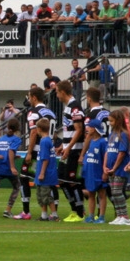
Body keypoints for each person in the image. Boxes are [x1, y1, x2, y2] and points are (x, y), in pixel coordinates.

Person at [17, 86, 56, 221]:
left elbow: (33, 132)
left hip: (37, 151)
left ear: (34, 97)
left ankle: (26, 211)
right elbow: (54, 133)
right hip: (49, 149)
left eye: (29, 96)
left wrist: (29, 152)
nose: (28, 99)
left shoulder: (33, 112)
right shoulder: (51, 112)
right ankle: (52, 212)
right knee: (49, 182)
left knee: (24, 177)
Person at [55, 80, 86, 223]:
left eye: (56, 92)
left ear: (62, 92)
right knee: (62, 180)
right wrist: (63, 145)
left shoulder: (75, 107)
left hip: (74, 150)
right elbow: (70, 131)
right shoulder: (68, 107)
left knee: (72, 181)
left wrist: (68, 147)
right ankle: (75, 209)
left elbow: (79, 130)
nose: (56, 95)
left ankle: (79, 213)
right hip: (68, 149)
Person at [103, 109, 130, 225]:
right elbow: (107, 152)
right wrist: (105, 166)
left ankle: (125, 216)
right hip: (110, 169)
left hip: (119, 169)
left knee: (117, 191)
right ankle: (119, 215)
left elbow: (122, 153)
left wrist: (115, 167)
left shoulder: (123, 134)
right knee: (113, 193)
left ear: (118, 121)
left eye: (112, 121)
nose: (110, 123)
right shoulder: (111, 134)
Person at [81, 118, 109, 224]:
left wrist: (104, 171)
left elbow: (105, 156)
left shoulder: (102, 142)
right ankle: (91, 216)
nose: (88, 128)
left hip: (98, 172)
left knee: (101, 195)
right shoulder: (91, 141)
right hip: (90, 172)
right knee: (91, 194)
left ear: (95, 129)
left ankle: (101, 216)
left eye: (90, 126)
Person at [32, 118, 59, 222]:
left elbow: (45, 159)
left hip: (46, 173)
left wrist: (42, 173)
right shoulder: (47, 140)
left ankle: (54, 215)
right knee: (40, 195)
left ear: (39, 129)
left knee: (46, 195)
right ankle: (44, 215)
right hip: (42, 172)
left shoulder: (44, 141)